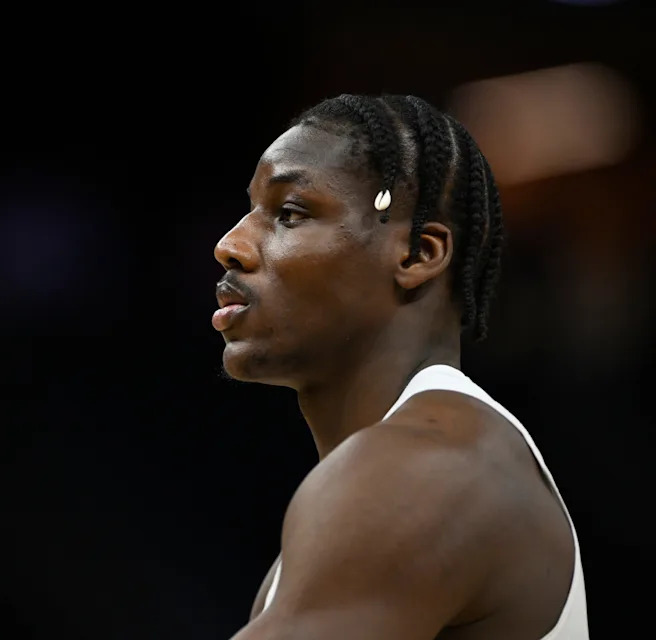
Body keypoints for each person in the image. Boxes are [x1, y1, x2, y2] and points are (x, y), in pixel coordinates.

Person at [211, 94, 588, 639]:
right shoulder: (400, 475)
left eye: (289, 213)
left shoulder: (426, 468)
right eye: (249, 211)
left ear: (416, 255)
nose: (231, 245)